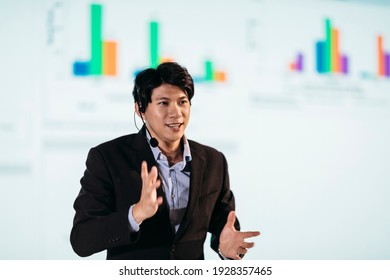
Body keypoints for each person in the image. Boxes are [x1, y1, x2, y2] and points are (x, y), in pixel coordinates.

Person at [70, 62, 260, 260]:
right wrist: (135, 215)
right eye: (163, 103)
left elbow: (224, 225)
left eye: (182, 102)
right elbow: (81, 240)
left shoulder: (213, 161)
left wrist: (225, 248)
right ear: (140, 109)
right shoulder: (108, 158)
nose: (176, 113)